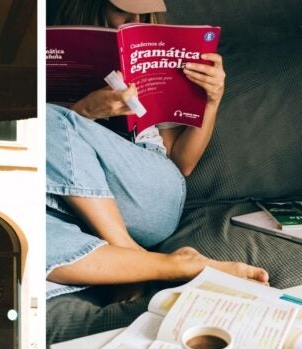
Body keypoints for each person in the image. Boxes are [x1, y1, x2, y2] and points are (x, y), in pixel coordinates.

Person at [46, 0, 269, 301]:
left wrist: (212, 100)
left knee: (43, 118)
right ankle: (162, 265)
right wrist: (84, 112)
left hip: (147, 195)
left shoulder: (155, 54)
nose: (135, 19)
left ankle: (126, 252)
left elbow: (182, 163)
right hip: (69, 208)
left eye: (144, 12)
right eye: (122, 11)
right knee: (30, 234)